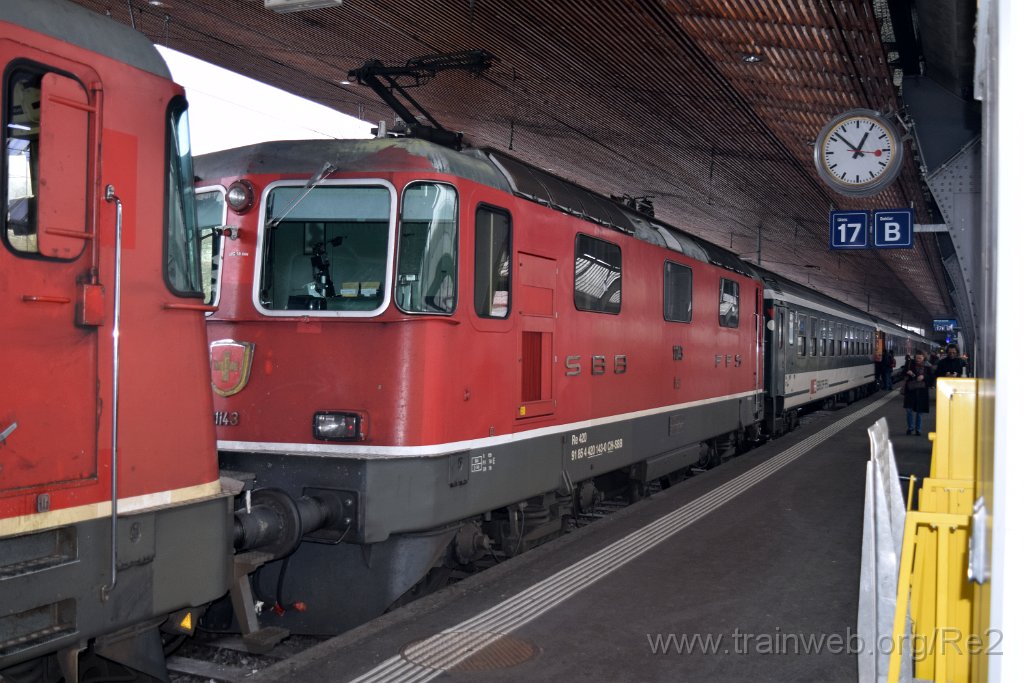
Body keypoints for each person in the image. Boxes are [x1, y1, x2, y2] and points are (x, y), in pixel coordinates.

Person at [902, 350, 932, 435]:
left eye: (920, 358)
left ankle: (918, 429)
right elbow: (903, 373)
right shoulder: (909, 364)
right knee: (909, 410)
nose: (918, 359)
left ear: (924, 358)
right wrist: (908, 373)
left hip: (922, 391)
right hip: (911, 390)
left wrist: (924, 377)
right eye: (916, 357)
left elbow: (931, 378)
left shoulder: (928, 366)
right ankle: (910, 428)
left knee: (920, 411)